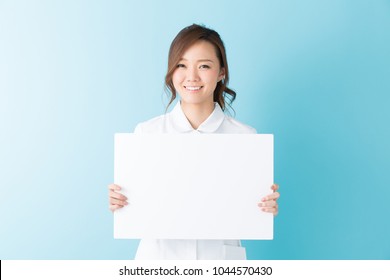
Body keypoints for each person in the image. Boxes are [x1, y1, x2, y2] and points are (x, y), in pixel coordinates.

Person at [108, 24, 280, 260]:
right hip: (159, 261)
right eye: (181, 65)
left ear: (221, 72)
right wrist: (122, 201)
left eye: (204, 66)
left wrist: (262, 207)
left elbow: (246, 214)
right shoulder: (147, 134)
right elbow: (139, 208)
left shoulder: (245, 139)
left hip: (220, 262)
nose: (192, 77)